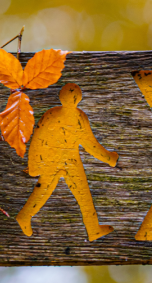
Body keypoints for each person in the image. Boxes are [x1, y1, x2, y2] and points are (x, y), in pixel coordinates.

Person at [16, 83, 119, 241]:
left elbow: (39, 138)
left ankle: (92, 229)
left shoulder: (60, 115)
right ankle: (25, 216)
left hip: (66, 160)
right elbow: (89, 144)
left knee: (70, 193)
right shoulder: (72, 116)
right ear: (78, 98)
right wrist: (109, 158)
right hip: (60, 159)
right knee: (66, 192)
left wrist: (108, 157)